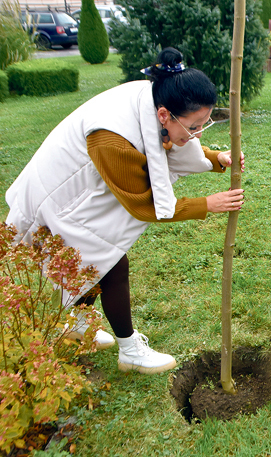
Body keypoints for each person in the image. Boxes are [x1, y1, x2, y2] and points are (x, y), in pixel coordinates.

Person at [5, 48, 246, 375]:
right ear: (165, 115)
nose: (198, 134)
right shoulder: (112, 140)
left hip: (83, 191)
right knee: (109, 262)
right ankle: (130, 350)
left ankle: (77, 323)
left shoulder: (153, 99)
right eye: (194, 127)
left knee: (92, 263)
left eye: (204, 125)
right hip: (59, 199)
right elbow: (143, 204)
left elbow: (165, 144)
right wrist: (207, 204)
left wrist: (215, 159)